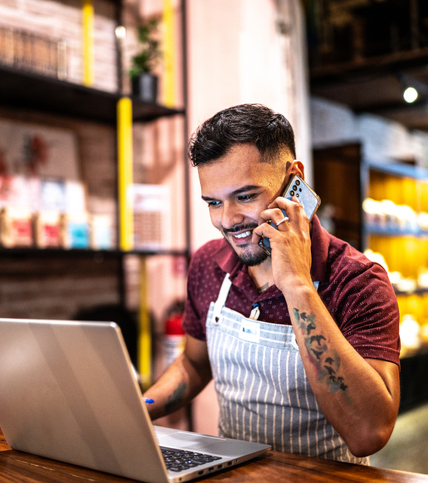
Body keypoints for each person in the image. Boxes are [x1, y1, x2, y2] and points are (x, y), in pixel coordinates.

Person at [143, 103, 401, 464]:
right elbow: (195, 364)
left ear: (294, 177)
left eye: (246, 196)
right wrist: (141, 408)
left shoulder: (357, 281)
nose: (228, 220)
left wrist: (297, 285)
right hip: (234, 473)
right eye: (214, 202)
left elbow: (369, 432)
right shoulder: (207, 265)